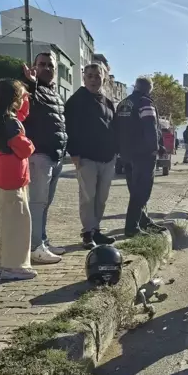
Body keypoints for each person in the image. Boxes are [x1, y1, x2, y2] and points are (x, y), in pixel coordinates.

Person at [65, 63, 117, 250]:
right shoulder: (76, 100)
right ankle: (87, 233)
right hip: (86, 157)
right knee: (88, 196)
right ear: (84, 77)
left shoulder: (107, 102)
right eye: (90, 76)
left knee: (101, 198)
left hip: (107, 158)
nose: (94, 79)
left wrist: (116, 150)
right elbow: (69, 128)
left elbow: (114, 128)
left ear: (103, 78)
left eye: (97, 76)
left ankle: (96, 230)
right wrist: (75, 153)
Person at [0, 80, 37, 280]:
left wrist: (26, 96)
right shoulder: (10, 122)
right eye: (22, 95)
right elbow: (25, 148)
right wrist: (31, 144)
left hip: (5, 176)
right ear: (15, 98)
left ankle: (6, 262)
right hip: (14, 177)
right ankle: (14, 265)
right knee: (18, 221)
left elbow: (23, 113)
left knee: (10, 221)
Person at [22, 53, 67, 264]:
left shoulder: (54, 93)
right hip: (39, 154)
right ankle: (34, 247)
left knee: (46, 203)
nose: (47, 68)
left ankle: (43, 241)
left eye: (51, 65)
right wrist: (31, 83)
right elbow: (28, 109)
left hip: (55, 155)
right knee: (38, 203)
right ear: (34, 67)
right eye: (42, 64)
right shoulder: (30, 89)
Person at [114, 77, 164, 237]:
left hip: (126, 154)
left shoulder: (123, 103)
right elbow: (150, 126)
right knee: (142, 192)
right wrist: (155, 148)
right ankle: (132, 228)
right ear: (149, 89)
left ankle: (143, 221)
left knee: (134, 190)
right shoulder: (145, 102)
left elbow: (116, 127)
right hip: (143, 154)